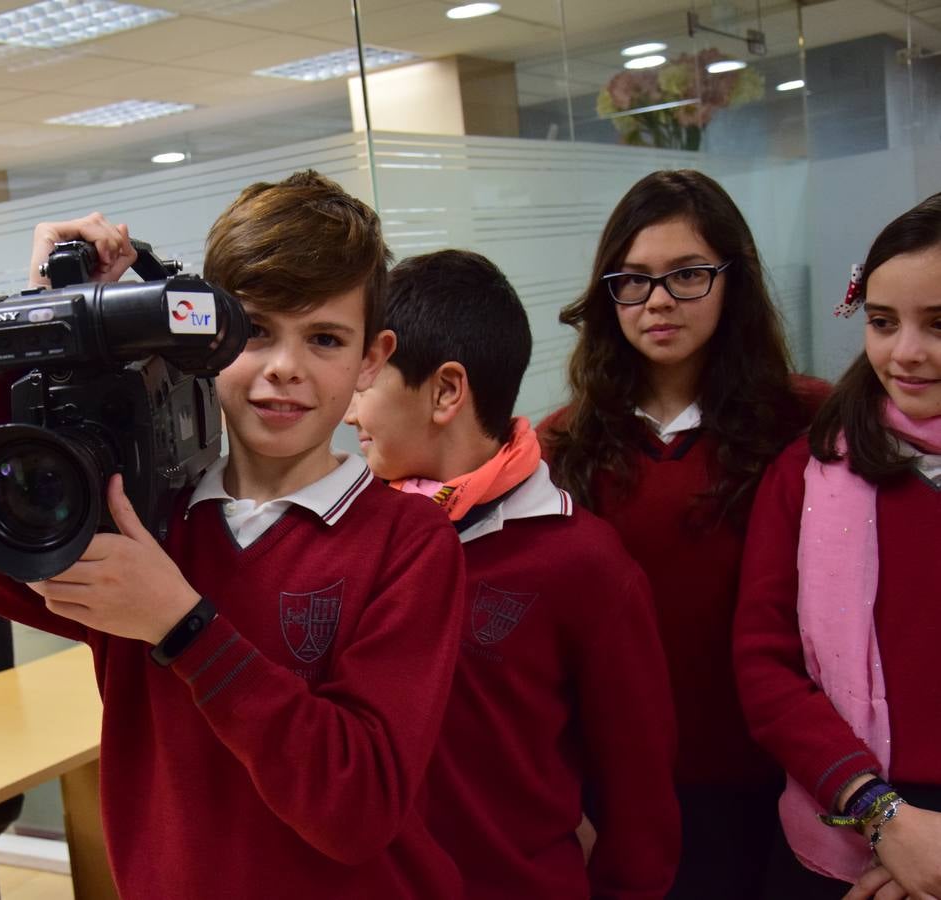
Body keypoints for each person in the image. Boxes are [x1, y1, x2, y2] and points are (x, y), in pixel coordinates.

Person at [0, 172, 469, 899]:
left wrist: (181, 626)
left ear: (371, 359)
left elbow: (356, 810)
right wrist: (42, 324)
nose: (285, 368)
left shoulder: (407, 542)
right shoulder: (135, 520)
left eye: (324, 339)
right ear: (205, 338)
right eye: (254, 330)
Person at [346, 249, 680, 898]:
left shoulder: (580, 563)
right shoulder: (353, 538)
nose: (347, 412)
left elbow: (639, 803)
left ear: (445, 391)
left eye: (365, 380)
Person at [538, 169, 829, 898]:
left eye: (687, 275)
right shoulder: (561, 443)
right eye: (632, 280)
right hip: (618, 791)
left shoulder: (809, 421)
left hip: (786, 781)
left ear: (734, 279)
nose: (658, 301)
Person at [734, 193, 941, 900]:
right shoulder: (809, 468)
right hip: (841, 814)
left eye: (939, 325)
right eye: (882, 323)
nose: (905, 352)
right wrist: (885, 819)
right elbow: (764, 665)